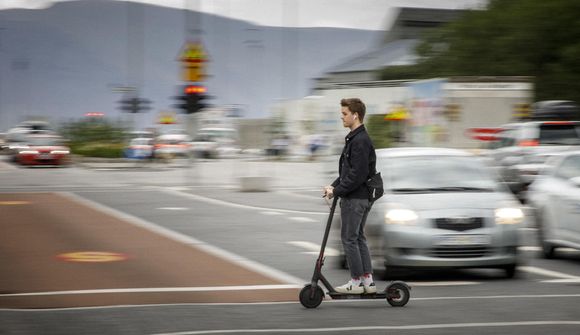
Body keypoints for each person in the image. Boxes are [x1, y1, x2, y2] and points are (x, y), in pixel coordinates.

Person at [323, 98, 376, 294]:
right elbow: (349, 172)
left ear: (356, 115)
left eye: (345, 113)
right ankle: (367, 281)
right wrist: (333, 185)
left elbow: (358, 174)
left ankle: (355, 282)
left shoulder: (360, 140)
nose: (341, 116)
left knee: (349, 239)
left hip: (355, 199)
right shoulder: (356, 138)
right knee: (358, 238)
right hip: (358, 197)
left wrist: (337, 191)